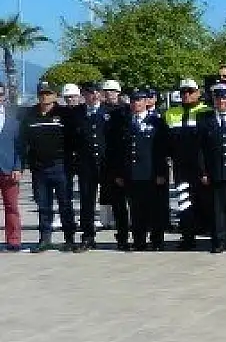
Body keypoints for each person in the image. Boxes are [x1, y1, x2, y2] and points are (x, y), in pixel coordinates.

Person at [105, 88, 170, 251]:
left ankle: (157, 240)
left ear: (146, 102)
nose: (136, 104)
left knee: (154, 209)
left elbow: (163, 150)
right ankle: (139, 240)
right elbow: (118, 150)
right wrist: (119, 173)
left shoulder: (157, 121)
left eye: (139, 101)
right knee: (135, 209)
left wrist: (161, 173)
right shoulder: (124, 123)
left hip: (151, 173)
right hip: (131, 173)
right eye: (133, 101)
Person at [21, 83, 77, 252]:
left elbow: (73, 139)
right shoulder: (30, 114)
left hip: (60, 166)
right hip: (39, 169)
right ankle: (45, 239)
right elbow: (24, 140)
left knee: (65, 204)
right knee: (43, 206)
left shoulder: (65, 114)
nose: (45, 97)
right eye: (42, 94)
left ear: (55, 95)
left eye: (48, 93)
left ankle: (69, 239)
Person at [164, 79, 211, 250]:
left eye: (190, 91)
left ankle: (211, 235)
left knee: (206, 201)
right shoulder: (171, 113)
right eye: (183, 92)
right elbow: (166, 142)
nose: (186, 95)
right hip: (181, 168)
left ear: (198, 93)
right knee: (184, 202)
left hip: (202, 167)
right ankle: (188, 237)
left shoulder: (206, 111)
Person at [197, 85, 226, 253]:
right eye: (218, 98)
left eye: (224, 98)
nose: (221, 101)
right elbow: (200, 149)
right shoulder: (204, 119)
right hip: (214, 171)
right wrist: (203, 171)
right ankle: (218, 241)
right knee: (217, 209)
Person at [69, 83, 111, 251]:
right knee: (87, 201)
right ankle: (87, 236)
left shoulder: (110, 112)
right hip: (86, 164)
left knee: (116, 199)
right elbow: (71, 139)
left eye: (96, 92)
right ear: (84, 95)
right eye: (89, 93)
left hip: (106, 163)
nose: (93, 96)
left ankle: (122, 236)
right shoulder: (76, 113)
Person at [0, 87, 22, 251]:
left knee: (12, 206)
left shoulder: (13, 119)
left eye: (0, 94)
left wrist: (17, 166)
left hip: (9, 169)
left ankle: (13, 240)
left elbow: (20, 146)